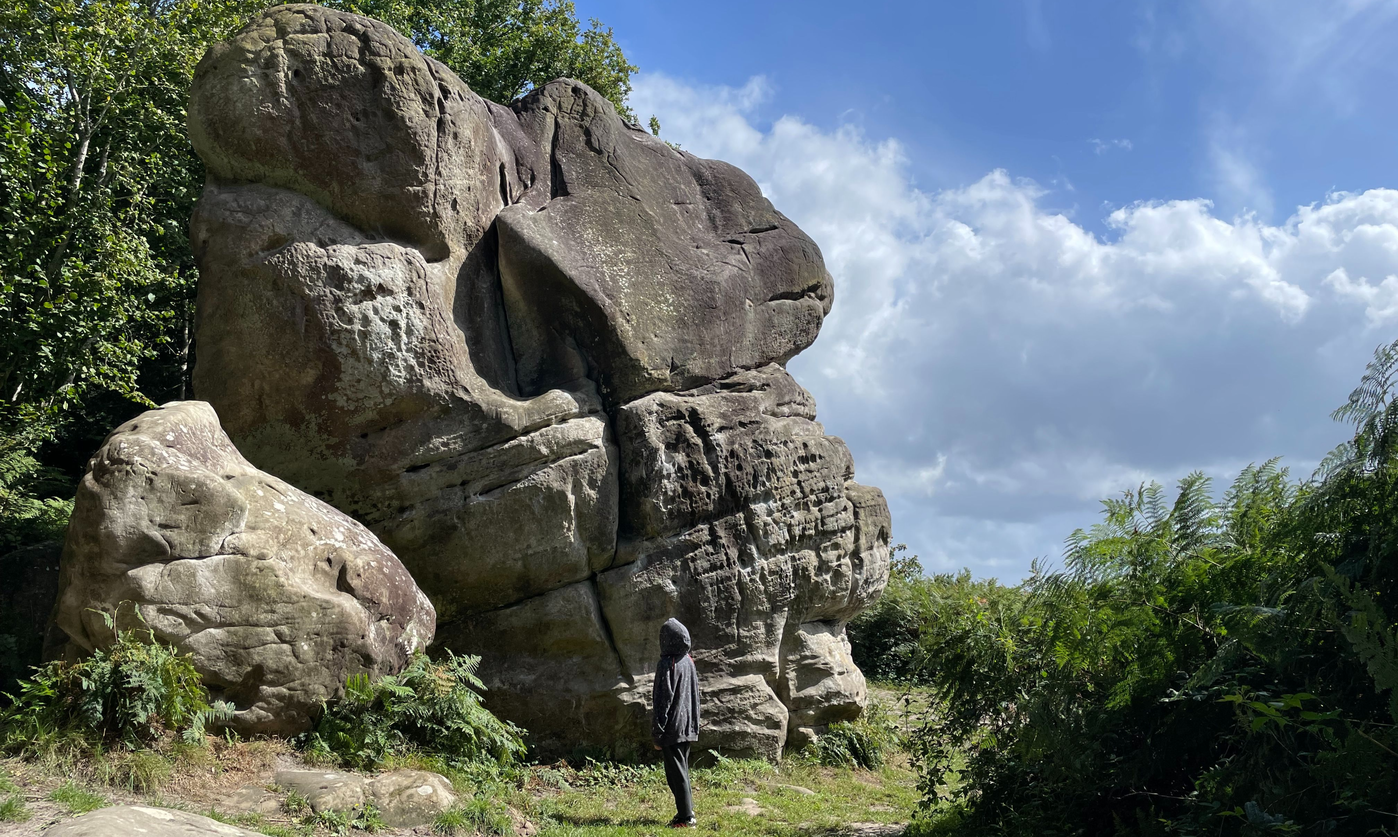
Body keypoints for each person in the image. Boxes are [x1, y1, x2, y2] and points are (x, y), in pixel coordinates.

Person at [652, 617, 700, 828]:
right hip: (687, 725)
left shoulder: (667, 663)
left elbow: (663, 700)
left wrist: (658, 733)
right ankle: (686, 811)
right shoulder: (688, 660)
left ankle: (686, 817)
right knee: (681, 771)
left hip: (673, 728)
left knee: (677, 774)